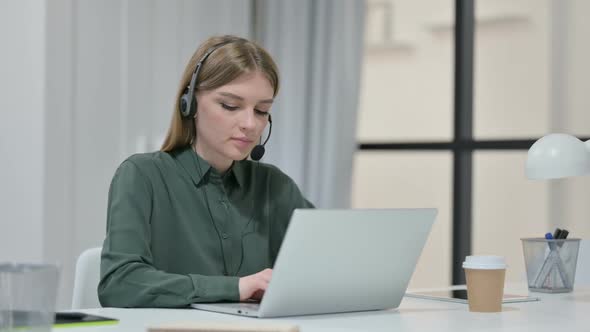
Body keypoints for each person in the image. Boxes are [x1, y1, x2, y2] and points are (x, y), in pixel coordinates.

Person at [98, 35, 314, 308]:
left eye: (261, 111)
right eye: (230, 106)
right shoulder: (142, 176)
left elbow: (327, 264)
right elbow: (118, 284)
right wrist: (236, 287)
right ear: (189, 103)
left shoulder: (275, 186)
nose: (250, 124)